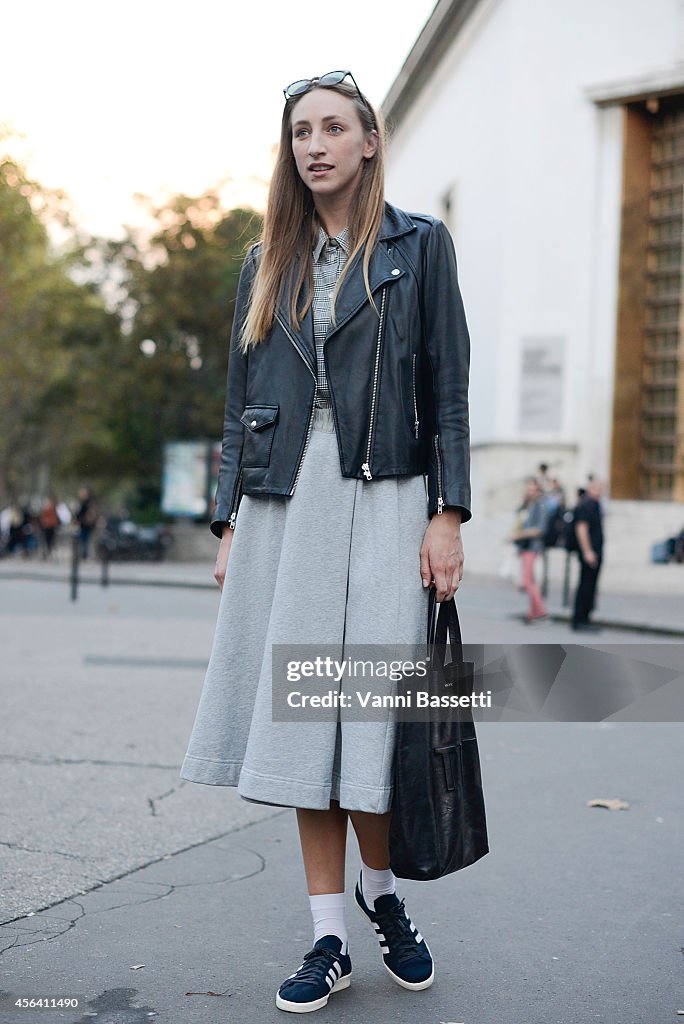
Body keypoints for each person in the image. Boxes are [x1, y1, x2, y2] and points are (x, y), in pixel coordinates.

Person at [179, 70, 472, 1014]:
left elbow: (450, 390)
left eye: (333, 128)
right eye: (301, 130)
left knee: (372, 713)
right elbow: (239, 404)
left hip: (387, 495)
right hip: (285, 501)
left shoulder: (420, 249)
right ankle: (328, 937)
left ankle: (380, 894)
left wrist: (447, 512)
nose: (315, 145)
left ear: (369, 140)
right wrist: (231, 518)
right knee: (307, 714)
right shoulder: (266, 259)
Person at [510, 477, 549, 622]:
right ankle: (532, 613)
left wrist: (520, 534)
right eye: (528, 489)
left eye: (533, 489)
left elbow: (540, 529)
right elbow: (518, 517)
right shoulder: (527, 504)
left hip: (532, 546)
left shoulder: (540, 505)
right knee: (531, 580)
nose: (530, 492)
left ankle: (541, 611)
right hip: (525, 546)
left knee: (527, 581)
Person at [571, 477, 604, 631]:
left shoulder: (595, 504)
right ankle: (579, 620)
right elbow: (581, 529)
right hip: (589, 552)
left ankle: (585, 618)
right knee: (585, 586)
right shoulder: (586, 505)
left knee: (591, 587)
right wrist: (587, 551)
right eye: (597, 488)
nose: (600, 491)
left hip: (596, 551)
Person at [74, 486, 98, 560]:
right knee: (86, 540)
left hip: (85, 524)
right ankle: (86, 554)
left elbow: (80, 514)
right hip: (88, 524)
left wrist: (78, 519)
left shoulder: (86, 503)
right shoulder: (90, 502)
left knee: (85, 540)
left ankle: (85, 555)